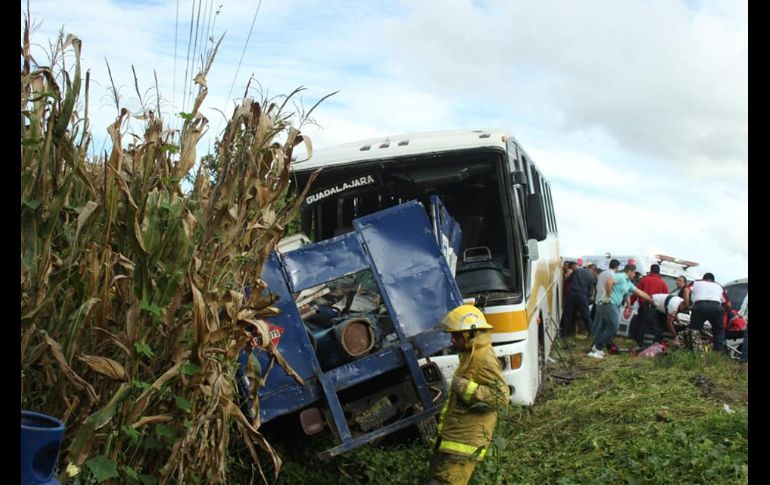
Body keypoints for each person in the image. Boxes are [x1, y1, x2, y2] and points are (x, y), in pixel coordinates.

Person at [428, 305, 510, 485]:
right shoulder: (470, 354)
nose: (452, 341)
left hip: (464, 444)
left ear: (470, 334)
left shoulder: (483, 357)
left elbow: (500, 397)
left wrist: (463, 387)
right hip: (454, 439)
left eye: (456, 336)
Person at [589, 264, 653, 359]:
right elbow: (609, 282)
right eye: (634, 273)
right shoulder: (621, 276)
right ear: (629, 271)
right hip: (609, 303)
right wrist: (608, 296)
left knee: (604, 327)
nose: (634, 275)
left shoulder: (628, 282)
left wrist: (651, 300)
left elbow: (639, 292)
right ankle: (598, 347)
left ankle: (594, 348)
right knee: (613, 327)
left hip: (610, 305)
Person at [630, 264, 672, 346]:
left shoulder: (644, 280)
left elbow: (636, 292)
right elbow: (666, 298)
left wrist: (631, 302)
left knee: (641, 325)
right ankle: (649, 344)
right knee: (652, 328)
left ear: (650, 270)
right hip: (656, 309)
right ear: (659, 272)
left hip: (644, 307)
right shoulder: (663, 283)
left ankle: (640, 344)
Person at [689, 273, 730, 352]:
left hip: (699, 306)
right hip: (716, 307)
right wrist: (723, 311)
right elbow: (728, 304)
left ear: (703, 278)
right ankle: (717, 353)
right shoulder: (718, 286)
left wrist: (688, 304)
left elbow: (686, 290)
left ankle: (695, 352)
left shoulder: (696, 282)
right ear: (713, 280)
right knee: (719, 331)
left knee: (695, 330)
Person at [560, 265, 596, 338]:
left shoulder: (577, 271)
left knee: (568, 314)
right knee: (586, 315)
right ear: (592, 269)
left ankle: (564, 334)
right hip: (582, 295)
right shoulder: (591, 276)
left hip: (572, 293)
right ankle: (591, 333)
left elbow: (568, 280)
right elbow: (590, 291)